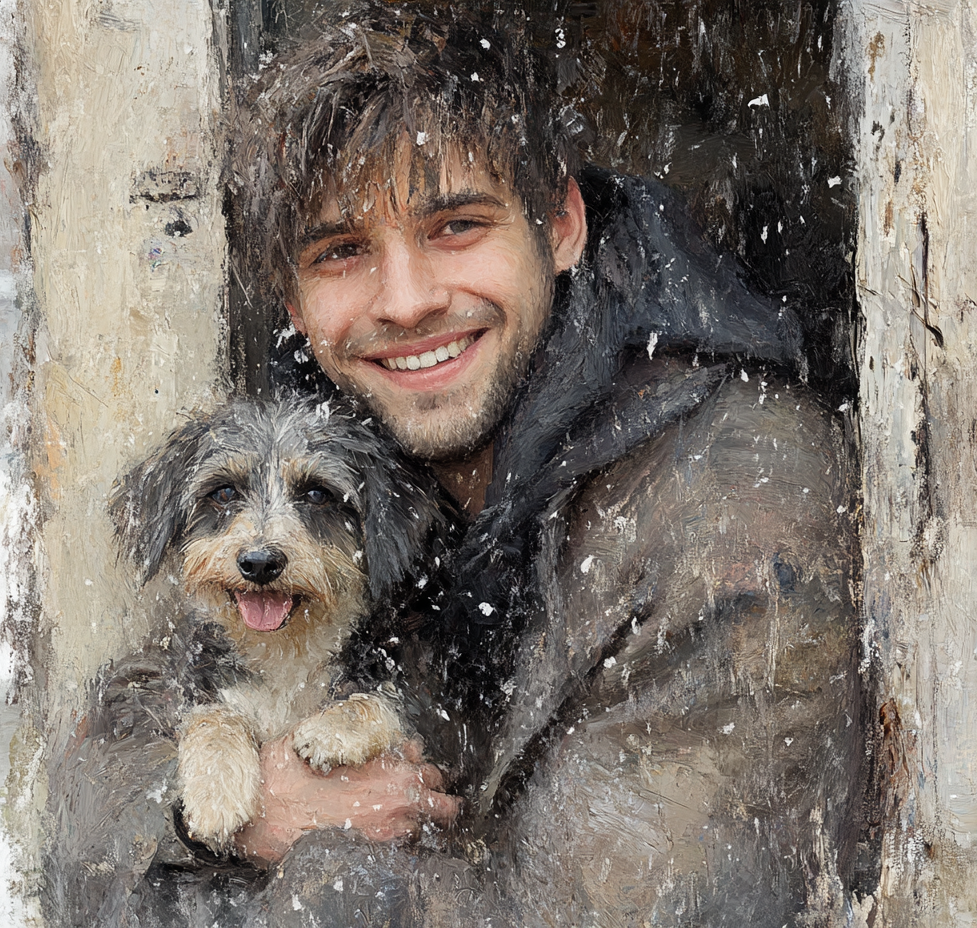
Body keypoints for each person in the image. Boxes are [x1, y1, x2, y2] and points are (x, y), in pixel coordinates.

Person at [43, 4, 875, 925]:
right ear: (291, 292)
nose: (405, 302)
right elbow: (89, 802)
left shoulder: (737, 501)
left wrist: (318, 840)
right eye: (343, 249)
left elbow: (601, 909)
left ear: (560, 223)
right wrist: (236, 812)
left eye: (455, 226)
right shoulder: (346, 454)